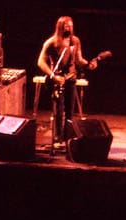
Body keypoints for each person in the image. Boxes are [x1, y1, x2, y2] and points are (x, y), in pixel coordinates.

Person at [37, 16, 99, 144]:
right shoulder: (51, 42)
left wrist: (88, 64)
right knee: (58, 111)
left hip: (71, 79)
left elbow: (78, 59)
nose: (69, 28)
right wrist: (53, 76)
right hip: (57, 79)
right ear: (60, 27)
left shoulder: (75, 41)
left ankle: (67, 138)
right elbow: (40, 62)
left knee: (70, 112)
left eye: (71, 26)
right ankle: (57, 138)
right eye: (66, 26)